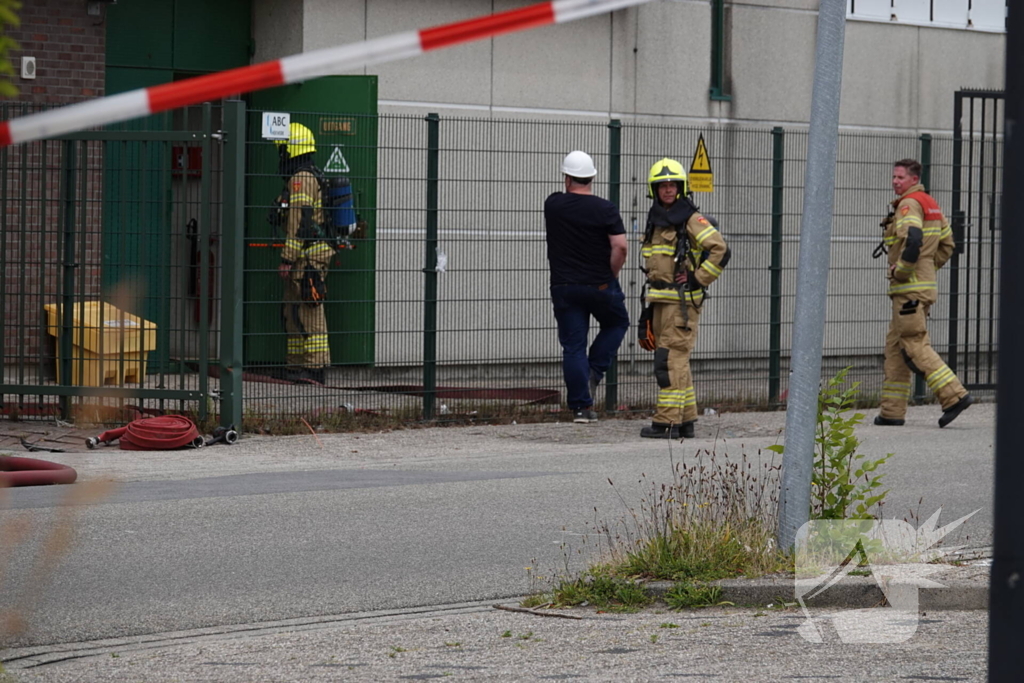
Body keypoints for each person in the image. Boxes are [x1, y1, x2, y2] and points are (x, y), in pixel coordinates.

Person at [875, 158, 973, 427]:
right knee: (896, 348)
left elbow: (914, 238)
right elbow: (947, 244)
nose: (895, 181)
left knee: (915, 343)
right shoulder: (931, 203)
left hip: (909, 290)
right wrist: (927, 269)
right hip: (921, 287)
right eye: (894, 177)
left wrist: (903, 271)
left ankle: (955, 395)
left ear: (914, 179)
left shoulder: (909, 204)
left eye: (901, 178)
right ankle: (891, 412)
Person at [637, 158, 729, 439]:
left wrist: (696, 279)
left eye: (672, 184)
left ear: (682, 188)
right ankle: (686, 420)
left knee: (669, 360)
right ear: (654, 190)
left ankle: (665, 423)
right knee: (679, 361)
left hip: (682, 303)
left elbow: (720, 250)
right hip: (661, 301)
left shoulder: (690, 219)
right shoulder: (656, 220)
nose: (667, 189)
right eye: (662, 185)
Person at [543, 150, 630, 423]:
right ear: (592, 177)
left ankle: (582, 408)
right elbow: (621, 247)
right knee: (617, 323)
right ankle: (594, 372)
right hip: (600, 284)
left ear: (567, 178)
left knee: (573, 346)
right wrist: (611, 273)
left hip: (565, 286)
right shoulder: (606, 209)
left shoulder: (553, 204)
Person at [271, 122, 335, 384]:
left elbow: (299, 222)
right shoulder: (305, 176)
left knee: (309, 308)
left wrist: (287, 258)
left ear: (291, 149)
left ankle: (315, 369)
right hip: (304, 255)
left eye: (282, 149)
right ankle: (295, 367)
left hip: (308, 256)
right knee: (292, 311)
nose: (281, 155)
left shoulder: (302, 180)